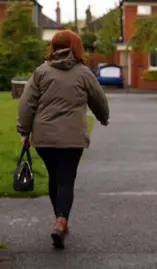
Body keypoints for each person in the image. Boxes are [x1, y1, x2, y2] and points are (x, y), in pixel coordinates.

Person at [16, 30, 110, 249]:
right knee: (66, 180)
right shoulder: (84, 73)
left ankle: (60, 220)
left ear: (52, 47)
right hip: (72, 138)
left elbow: (26, 104)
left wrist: (24, 131)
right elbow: (98, 99)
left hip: (44, 138)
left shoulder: (41, 72)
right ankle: (61, 221)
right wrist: (103, 117)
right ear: (76, 48)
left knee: (54, 177)